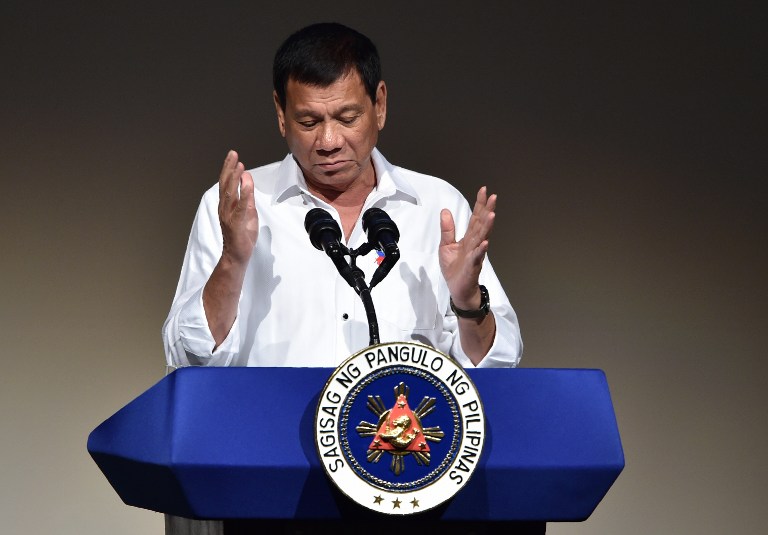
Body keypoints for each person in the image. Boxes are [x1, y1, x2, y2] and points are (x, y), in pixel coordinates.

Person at [162, 23, 522, 369]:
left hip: (397, 428)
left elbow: (497, 363)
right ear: (281, 113)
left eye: (347, 118)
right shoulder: (234, 207)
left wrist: (467, 300)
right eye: (309, 122)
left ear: (379, 104)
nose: (329, 142)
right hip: (268, 429)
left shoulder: (437, 208)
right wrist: (232, 261)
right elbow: (189, 358)